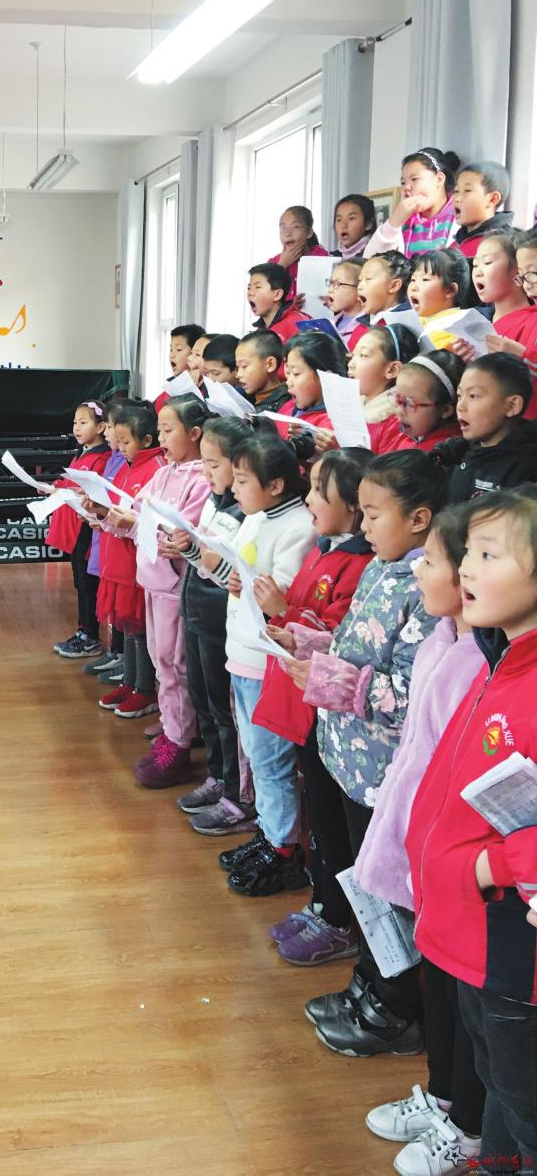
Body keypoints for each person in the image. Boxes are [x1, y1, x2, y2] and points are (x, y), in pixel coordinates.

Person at [291, 451, 447, 1056]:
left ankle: (394, 1010)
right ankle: (370, 985)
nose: (363, 523)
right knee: (362, 885)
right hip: (349, 761)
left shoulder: (425, 586)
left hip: (383, 774)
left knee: (385, 894)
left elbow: (408, 695)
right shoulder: (383, 567)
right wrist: (310, 644)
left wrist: (330, 679)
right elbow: (357, 645)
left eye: (374, 513)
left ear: (419, 519)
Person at [406, 488, 537, 1172]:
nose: (465, 568)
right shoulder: (504, 659)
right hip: (473, 931)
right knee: (499, 1087)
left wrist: (492, 868)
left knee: (523, 1100)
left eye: (489, 555)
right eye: (468, 554)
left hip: (512, 945)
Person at [358, 505, 485, 1176]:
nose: (417, 572)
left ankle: (467, 1128)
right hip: (417, 845)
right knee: (438, 986)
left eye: (430, 560)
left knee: (464, 1001)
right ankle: (442, 1096)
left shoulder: (479, 663)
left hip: (452, 858)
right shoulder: (440, 638)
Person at [251, 448, 373, 945]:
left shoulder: (361, 564)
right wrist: (277, 614)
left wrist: (284, 612)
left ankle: (338, 917)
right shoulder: (325, 549)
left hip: (330, 711)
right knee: (319, 815)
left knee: (333, 820)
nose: (309, 499)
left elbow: (338, 638)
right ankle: (324, 903)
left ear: (356, 503)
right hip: (307, 703)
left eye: (321, 490)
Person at [219, 431, 316, 894]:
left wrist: (254, 585)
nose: (233, 487)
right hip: (241, 653)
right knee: (256, 756)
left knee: (271, 761)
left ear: (275, 485)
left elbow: (286, 596)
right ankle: (268, 832)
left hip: (267, 662)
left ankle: (283, 850)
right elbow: (241, 573)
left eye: (242, 480)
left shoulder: (298, 526)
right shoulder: (255, 516)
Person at [104, 395, 212, 786]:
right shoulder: (166, 472)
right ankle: (172, 728)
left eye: (168, 431)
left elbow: (184, 535)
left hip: (175, 584)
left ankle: (179, 744)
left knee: (174, 663)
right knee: (160, 659)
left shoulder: (202, 479)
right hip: (152, 580)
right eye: (160, 431)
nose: (161, 439)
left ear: (194, 433)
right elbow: (137, 512)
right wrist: (109, 515)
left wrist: (136, 523)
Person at [173, 416, 253, 835]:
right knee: (203, 701)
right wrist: (187, 549)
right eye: (203, 463)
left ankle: (238, 795)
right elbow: (203, 562)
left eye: (213, 465)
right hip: (197, 612)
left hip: (223, 620)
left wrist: (204, 559)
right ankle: (218, 777)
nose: (205, 473)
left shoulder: (245, 511)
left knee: (225, 711)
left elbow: (233, 577)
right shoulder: (214, 500)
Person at [90, 403, 165, 720]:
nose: (119, 447)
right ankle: (130, 682)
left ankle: (145, 689)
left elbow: (145, 520)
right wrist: (100, 513)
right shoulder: (127, 466)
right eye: (118, 441)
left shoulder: (156, 469)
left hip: (135, 563)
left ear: (147, 440)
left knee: (140, 629)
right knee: (128, 628)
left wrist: (114, 518)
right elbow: (116, 508)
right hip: (117, 558)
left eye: (125, 441)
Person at [48, 401, 110, 658]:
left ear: (101, 427)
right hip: (77, 527)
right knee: (80, 581)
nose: (76, 427)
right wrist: (55, 487)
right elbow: (71, 483)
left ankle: (90, 637)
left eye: (83, 422)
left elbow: (96, 492)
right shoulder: (82, 453)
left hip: (89, 527)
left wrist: (74, 492)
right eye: (75, 422)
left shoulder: (103, 457)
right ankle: (83, 632)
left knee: (87, 582)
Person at [433, 353, 537, 502]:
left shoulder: (527, 473)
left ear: (512, 406)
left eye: (473, 396)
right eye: (459, 396)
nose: (460, 406)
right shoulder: (453, 454)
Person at [82, 401, 129, 676]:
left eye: (111, 427)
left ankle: (123, 658)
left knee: (124, 608)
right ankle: (115, 652)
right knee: (112, 602)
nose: (109, 433)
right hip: (105, 535)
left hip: (119, 540)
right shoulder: (113, 457)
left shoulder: (123, 460)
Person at [470, 228, 537, 416]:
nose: (527, 284)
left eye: (533, 273)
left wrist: (522, 357)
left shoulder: (530, 321)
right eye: (475, 265)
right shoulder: (480, 320)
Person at [366, 149, 461, 258]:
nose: (406, 187)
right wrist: (394, 222)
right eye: (403, 182)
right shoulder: (403, 223)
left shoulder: (460, 216)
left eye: (414, 179)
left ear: (439, 180)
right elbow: (370, 260)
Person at [347, 323, 419, 453]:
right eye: (353, 355)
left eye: (363, 355)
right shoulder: (348, 408)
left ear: (392, 369)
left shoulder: (399, 425)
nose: (350, 364)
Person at [391, 352, 465, 451]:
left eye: (410, 403)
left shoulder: (435, 455)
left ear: (445, 410)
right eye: (397, 398)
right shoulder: (412, 433)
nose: (399, 410)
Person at [408, 247, 472, 351]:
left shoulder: (456, 337)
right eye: (413, 279)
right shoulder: (414, 323)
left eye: (425, 279)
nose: (413, 287)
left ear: (450, 290)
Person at [453, 161, 513, 260]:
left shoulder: (500, 246)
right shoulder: (454, 244)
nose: (457, 198)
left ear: (492, 199)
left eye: (467, 190)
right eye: (456, 191)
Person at [269, 205, 331, 297]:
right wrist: (282, 265)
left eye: (295, 227)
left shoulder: (323, 258)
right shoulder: (274, 263)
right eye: (283, 228)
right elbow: (263, 295)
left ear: (309, 232)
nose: (287, 233)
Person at [247, 264, 311, 344]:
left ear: (277, 294)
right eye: (249, 288)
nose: (250, 293)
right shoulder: (259, 332)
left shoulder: (297, 322)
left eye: (258, 287)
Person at [234, 331, 289, 413]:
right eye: (237, 367)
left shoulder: (285, 406)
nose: (238, 375)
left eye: (244, 366)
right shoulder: (242, 400)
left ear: (270, 364)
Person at [153, 325, 205, 412]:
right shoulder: (176, 383)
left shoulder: (205, 388)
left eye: (179, 349)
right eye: (171, 350)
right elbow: (157, 407)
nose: (172, 355)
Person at [324, 258, 364, 343]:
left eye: (338, 284)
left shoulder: (368, 328)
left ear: (359, 289)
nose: (330, 289)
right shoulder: (331, 323)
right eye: (331, 282)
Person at [333, 195, 378, 260]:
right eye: (339, 220)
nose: (343, 225)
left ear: (368, 224)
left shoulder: (376, 257)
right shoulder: (332, 257)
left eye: (351, 218)